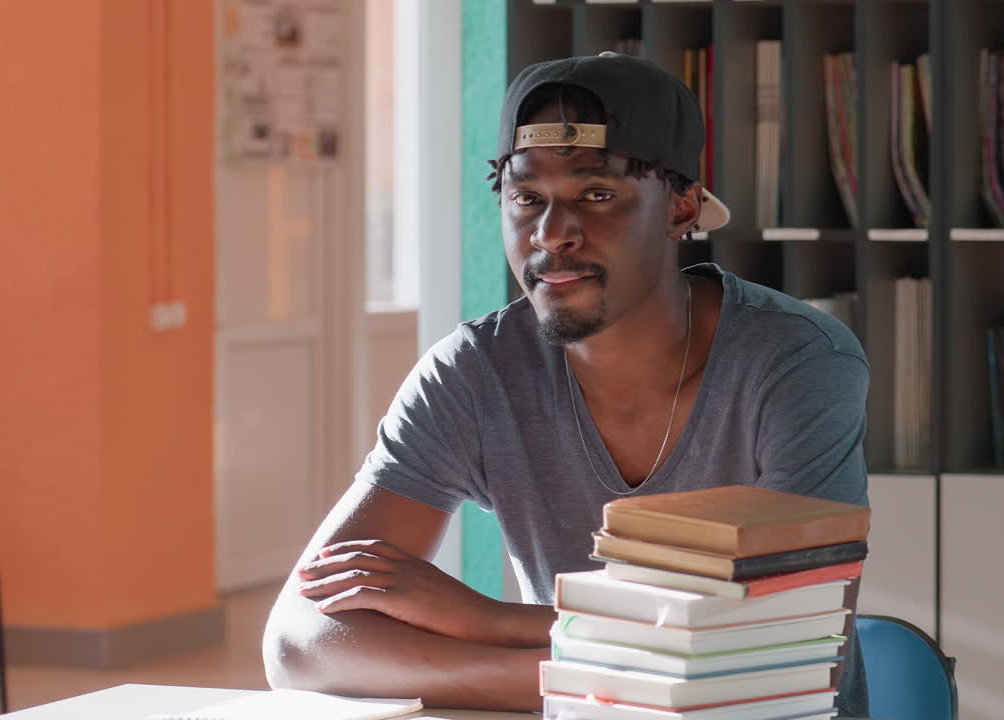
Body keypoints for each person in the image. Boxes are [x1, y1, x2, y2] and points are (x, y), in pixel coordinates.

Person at [262, 52, 870, 716]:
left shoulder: (796, 361)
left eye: (597, 194)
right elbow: (300, 641)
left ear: (682, 206)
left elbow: (780, 642)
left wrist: (486, 621)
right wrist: (576, 675)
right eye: (527, 197)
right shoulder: (473, 372)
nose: (551, 234)